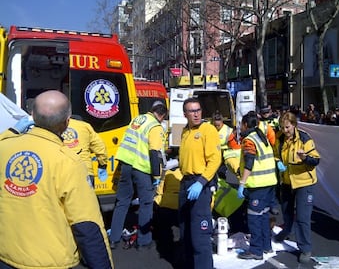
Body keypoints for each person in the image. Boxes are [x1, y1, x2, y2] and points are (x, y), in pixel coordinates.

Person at [0, 90, 113, 269]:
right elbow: (87, 226)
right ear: (67, 122)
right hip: (49, 261)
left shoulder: (4, 147)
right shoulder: (69, 162)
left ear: (32, 116)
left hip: (6, 255)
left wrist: (12, 131)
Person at [109, 101, 168, 250]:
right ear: (161, 116)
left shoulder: (137, 119)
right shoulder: (155, 126)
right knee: (146, 204)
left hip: (126, 164)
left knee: (122, 202)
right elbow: (154, 152)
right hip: (141, 168)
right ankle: (143, 241)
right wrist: (156, 177)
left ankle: (113, 239)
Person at [178, 97, 221, 269]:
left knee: (199, 236)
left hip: (199, 184)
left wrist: (202, 182)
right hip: (186, 182)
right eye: (192, 111)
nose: (196, 114)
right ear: (185, 114)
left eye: (198, 110)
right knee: (185, 232)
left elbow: (215, 159)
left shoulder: (208, 130)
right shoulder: (184, 131)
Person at [274, 111, 320, 264]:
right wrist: (277, 162)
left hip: (304, 183)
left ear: (294, 125)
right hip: (287, 182)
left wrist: (305, 158)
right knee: (286, 212)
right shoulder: (279, 138)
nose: (284, 130)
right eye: (282, 127)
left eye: (287, 127)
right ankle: (287, 230)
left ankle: (305, 248)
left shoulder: (305, 138)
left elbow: (316, 160)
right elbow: (275, 154)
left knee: (302, 217)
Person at [237, 111, 278, 260]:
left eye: (241, 124)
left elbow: (249, 162)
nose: (240, 127)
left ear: (246, 124)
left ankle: (255, 250)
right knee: (264, 215)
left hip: (258, 185)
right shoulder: (262, 137)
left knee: (254, 217)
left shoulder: (249, 140)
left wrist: (242, 183)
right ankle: (266, 246)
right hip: (269, 183)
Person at [62, 115, 108, 187]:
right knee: (87, 197)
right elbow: (100, 147)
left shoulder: (56, 126)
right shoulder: (85, 126)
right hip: (85, 170)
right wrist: (102, 165)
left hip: (63, 172)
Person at [212, 110, 241, 177]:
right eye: (215, 125)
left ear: (222, 122)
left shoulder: (228, 131)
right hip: (214, 153)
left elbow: (235, 146)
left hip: (225, 153)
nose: (217, 127)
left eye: (218, 125)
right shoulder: (210, 128)